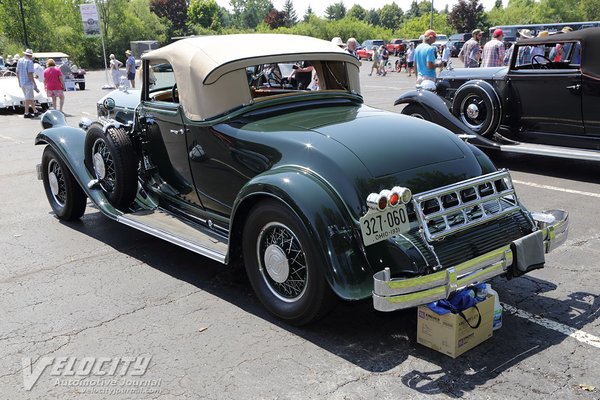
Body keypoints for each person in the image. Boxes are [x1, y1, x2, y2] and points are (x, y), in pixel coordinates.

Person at [16, 49, 39, 118]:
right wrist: (35, 84)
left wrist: (19, 82)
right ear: (30, 55)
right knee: (28, 98)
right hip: (28, 82)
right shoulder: (29, 62)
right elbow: (30, 74)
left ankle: (35, 111)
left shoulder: (19, 60)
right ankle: (26, 113)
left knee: (30, 97)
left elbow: (17, 72)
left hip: (22, 82)